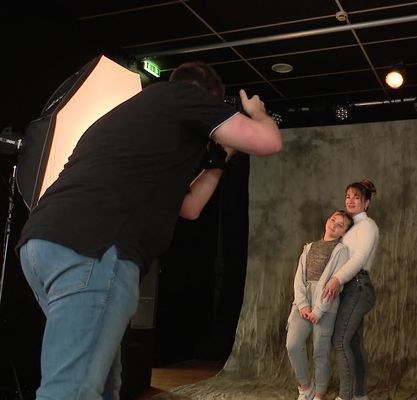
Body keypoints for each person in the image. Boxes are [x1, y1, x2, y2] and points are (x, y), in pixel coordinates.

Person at [15, 61, 282, 400]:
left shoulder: (139, 118)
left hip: (42, 246)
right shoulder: (184, 95)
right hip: (94, 249)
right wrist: (256, 113)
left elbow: (189, 207)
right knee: (73, 390)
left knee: (104, 383)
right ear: (208, 96)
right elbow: (268, 141)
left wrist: (220, 159)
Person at [286, 210, 354, 400]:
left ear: (344, 232)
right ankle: (306, 387)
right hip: (302, 303)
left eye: (340, 225)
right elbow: (299, 279)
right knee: (293, 344)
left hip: (325, 306)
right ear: (327, 220)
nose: (334, 225)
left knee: (320, 352)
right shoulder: (309, 248)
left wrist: (318, 310)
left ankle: (319, 394)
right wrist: (302, 304)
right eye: (333, 220)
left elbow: (335, 285)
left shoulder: (342, 252)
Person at [322, 180, 379, 400]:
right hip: (350, 287)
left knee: (340, 340)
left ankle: (345, 397)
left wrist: (337, 279)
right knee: (354, 343)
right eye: (348, 196)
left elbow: (359, 258)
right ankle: (360, 396)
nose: (350, 200)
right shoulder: (350, 228)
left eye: (356, 197)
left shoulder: (367, 226)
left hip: (358, 286)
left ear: (366, 203)